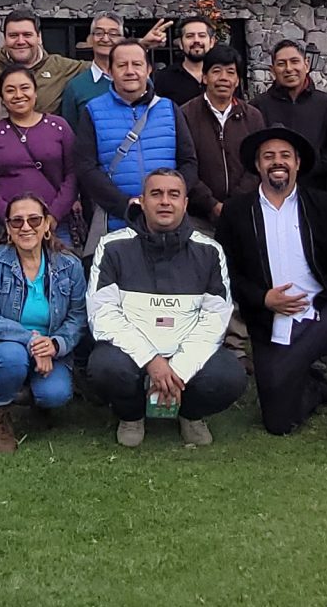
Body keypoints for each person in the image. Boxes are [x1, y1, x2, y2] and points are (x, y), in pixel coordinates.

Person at [216, 129, 327, 461]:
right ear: (258, 165)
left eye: (285, 155)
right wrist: (262, 298)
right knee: (278, 423)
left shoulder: (323, 206)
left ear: (298, 164)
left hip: (324, 315)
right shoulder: (236, 212)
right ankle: (315, 386)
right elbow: (225, 273)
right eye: (268, 156)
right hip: (273, 325)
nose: (277, 163)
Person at [84, 168, 248, 448]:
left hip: (185, 349)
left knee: (230, 375)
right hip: (133, 354)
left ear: (185, 203)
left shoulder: (210, 250)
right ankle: (132, 415)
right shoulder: (112, 246)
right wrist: (152, 361)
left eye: (174, 195)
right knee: (104, 367)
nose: (165, 201)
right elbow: (103, 315)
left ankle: (190, 413)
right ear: (141, 202)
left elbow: (215, 318)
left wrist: (179, 371)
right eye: (156, 194)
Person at [0, 194, 86, 452]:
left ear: (46, 226)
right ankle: (0, 415)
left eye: (34, 220)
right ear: (8, 228)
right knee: (12, 357)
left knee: (55, 394)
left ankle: (29, 393)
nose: (26, 227)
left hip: (50, 350)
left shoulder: (70, 265)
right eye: (17, 221)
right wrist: (32, 340)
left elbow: (78, 317)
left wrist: (55, 344)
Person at [71, 38, 183, 237]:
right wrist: (124, 204)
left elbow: (189, 161)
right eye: (122, 65)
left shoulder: (169, 109)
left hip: (169, 221)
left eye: (137, 64)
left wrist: (172, 199)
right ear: (110, 71)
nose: (130, 71)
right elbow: (85, 167)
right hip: (116, 222)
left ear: (148, 69)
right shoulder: (93, 111)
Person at [0, 63, 78, 243]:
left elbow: (73, 174)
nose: (18, 95)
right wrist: (9, 216)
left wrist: (53, 215)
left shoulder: (59, 127)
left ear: (35, 92)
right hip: (9, 228)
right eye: (10, 90)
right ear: (2, 97)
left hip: (55, 224)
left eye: (25, 88)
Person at [255, 40, 327, 204]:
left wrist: (316, 165)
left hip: (316, 194)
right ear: (272, 70)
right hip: (270, 195)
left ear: (306, 65)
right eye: (282, 64)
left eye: (295, 62)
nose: (289, 69)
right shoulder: (258, 106)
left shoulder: (326, 105)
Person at [175, 45, 264, 226]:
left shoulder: (253, 116)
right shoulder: (185, 114)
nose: (224, 78)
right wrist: (211, 204)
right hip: (198, 215)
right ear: (205, 77)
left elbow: (258, 162)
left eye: (230, 72)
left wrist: (233, 204)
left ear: (237, 80)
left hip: (244, 212)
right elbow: (183, 163)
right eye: (216, 71)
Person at [57, 14, 129, 122]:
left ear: (122, 40)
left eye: (113, 34)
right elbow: (71, 132)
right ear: (90, 39)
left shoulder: (136, 80)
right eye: (99, 33)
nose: (105, 39)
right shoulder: (76, 86)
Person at [149, 15, 214, 107]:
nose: (196, 40)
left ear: (211, 42)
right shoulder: (163, 78)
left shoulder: (223, 77)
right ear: (180, 43)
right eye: (190, 36)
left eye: (202, 35)